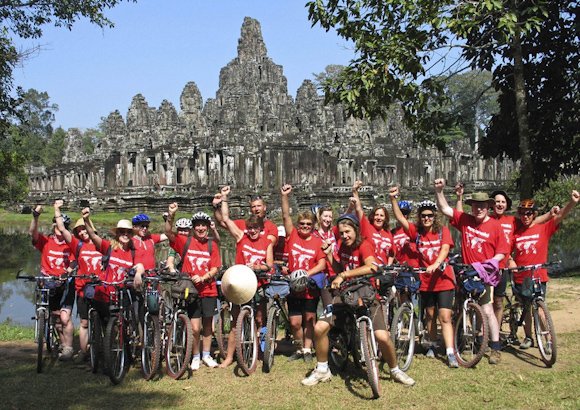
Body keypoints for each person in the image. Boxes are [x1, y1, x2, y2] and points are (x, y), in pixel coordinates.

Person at [301, 213, 415, 387]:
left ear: (355, 229)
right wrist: (331, 256)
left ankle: (395, 370)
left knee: (382, 336)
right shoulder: (342, 245)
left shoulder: (364, 245)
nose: (345, 236)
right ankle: (322, 369)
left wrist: (344, 275)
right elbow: (341, 268)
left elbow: (371, 266)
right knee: (320, 328)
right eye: (341, 233)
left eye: (348, 231)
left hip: (367, 293)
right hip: (346, 294)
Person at [455, 184, 554, 329]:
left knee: (499, 301)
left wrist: (550, 215)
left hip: (502, 266)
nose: (500, 204)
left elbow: (532, 221)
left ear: (507, 204)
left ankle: (497, 330)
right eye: (497, 201)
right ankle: (482, 332)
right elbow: (461, 217)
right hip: (485, 267)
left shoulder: (513, 221)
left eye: (503, 201)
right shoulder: (485, 219)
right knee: (482, 301)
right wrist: (459, 198)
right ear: (491, 205)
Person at [434, 179, 510, 364]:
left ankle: (495, 347)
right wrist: (439, 191)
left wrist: (493, 261)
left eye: (482, 206)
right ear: (472, 207)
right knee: (460, 307)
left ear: (488, 207)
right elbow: (445, 209)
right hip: (465, 271)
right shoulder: (465, 220)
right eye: (476, 206)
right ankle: (460, 340)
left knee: (487, 309)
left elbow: (502, 251)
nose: (479, 209)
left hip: (484, 273)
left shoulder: (495, 226)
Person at [389, 188, 457, 367]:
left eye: (430, 215)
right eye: (424, 215)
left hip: (443, 279)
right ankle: (432, 344)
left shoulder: (442, 231)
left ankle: (450, 352)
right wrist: (393, 199)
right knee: (429, 314)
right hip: (425, 281)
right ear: (420, 217)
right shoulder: (416, 233)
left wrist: (435, 264)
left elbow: (444, 249)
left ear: (435, 216)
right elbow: (400, 219)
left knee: (445, 316)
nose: (427, 218)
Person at [510, 190, 579, 349]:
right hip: (521, 277)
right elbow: (508, 253)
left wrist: (572, 203)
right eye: (522, 213)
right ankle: (528, 337)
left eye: (529, 213)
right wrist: (511, 262)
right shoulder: (515, 233)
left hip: (539, 276)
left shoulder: (543, 229)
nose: (525, 216)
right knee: (526, 309)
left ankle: (548, 339)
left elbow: (560, 216)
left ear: (534, 214)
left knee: (540, 309)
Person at [212, 191, 274, 368]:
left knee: (259, 319)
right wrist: (224, 198)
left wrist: (258, 267)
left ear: (261, 229)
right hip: (240, 282)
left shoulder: (266, 243)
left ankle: (257, 351)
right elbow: (225, 218)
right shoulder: (241, 237)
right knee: (235, 321)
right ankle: (230, 357)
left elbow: (269, 265)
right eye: (250, 228)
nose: (253, 231)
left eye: (256, 228)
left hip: (259, 282)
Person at [165, 205, 221, 370]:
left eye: (204, 225)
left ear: (207, 227)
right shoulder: (186, 242)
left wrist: (204, 277)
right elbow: (168, 232)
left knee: (208, 325)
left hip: (209, 288)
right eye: (197, 225)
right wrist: (171, 215)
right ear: (193, 228)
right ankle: (196, 355)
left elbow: (216, 267)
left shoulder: (212, 245)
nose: (201, 228)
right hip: (191, 289)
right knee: (195, 327)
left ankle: (207, 354)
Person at [281, 184, 327, 362]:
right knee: (294, 322)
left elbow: (322, 263)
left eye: (309, 224)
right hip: (293, 286)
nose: (305, 226)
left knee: (309, 319)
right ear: (298, 225)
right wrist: (285, 196)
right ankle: (299, 347)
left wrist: (307, 273)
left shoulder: (317, 242)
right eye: (302, 224)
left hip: (309, 286)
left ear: (313, 225)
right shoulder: (292, 236)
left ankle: (308, 349)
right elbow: (285, 216)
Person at [54, 200, 102, 362]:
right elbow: (61, 228)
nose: (82, 233)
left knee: (104, 320)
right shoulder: (78, 245)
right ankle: (83, 352)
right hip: (82, 288)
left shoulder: (100, 244)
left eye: (84, 229)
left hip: (100, 289)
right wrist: (56, 209)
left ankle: (105, 350)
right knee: (84, 323)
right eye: (79, 230)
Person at [29, 202, 75, 361]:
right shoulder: (46, 241)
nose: (60, 230)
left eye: (63, 227)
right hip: (47, 281)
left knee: (64, 318)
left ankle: (68, 348)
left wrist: (67, 272)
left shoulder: (71, 244)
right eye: (57, 226)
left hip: (65, 283)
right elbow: (33, 234)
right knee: (54, 317)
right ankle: (62, 343)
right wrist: (35, 216)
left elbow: (75, 262)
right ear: (53, 226)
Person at [81, 209, 145, 307]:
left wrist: (138, 274)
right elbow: (93, 236)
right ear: (117, 233)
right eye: (122, 232)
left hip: (122, 295)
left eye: (129, 232)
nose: (126, 234)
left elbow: (140, 265)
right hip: (104, 294)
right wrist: (86, 220)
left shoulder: (133, 251)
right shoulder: (109, 247)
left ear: (132, 235)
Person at [391, 200, 420, 267]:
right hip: (398, 268)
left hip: (414, 267)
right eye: (400, 212)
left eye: (405, 213)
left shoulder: (414, 229)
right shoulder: (392, 233)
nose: (402, 215)